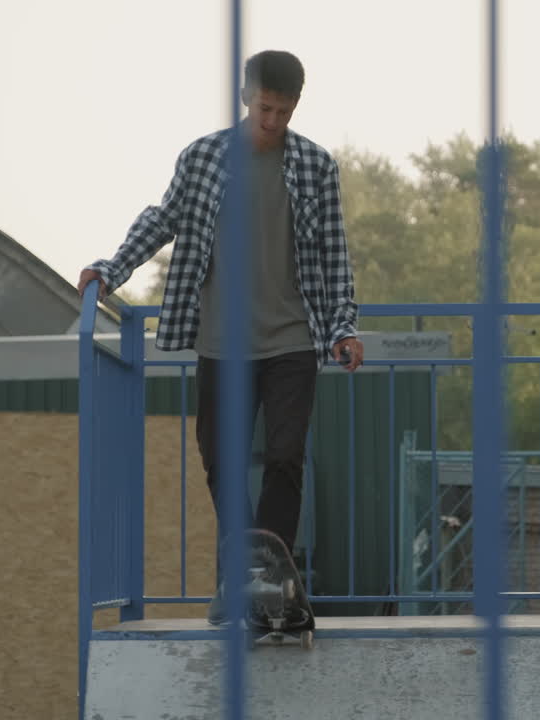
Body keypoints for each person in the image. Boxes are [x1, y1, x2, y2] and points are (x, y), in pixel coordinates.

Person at [76, 49, 363, 625]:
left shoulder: (314, 164)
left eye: (283, 112)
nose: (271, 123)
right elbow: (162, 218)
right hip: (221, 342)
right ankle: (242, 574)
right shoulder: (204, 157)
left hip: (292, 340)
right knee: (220, 459)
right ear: (245, 99)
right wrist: (111, 269)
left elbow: (334, 255)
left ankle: (271, 576)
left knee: (284, 456)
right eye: (264, 109)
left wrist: (343, 326)